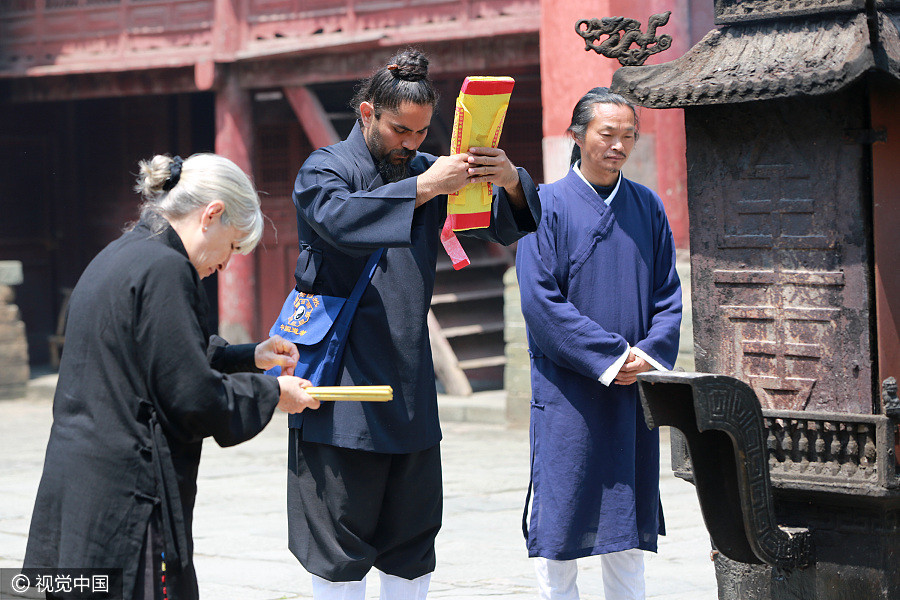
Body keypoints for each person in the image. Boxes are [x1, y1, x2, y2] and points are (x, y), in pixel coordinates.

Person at [287, 49, 540, 599]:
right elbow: (338, 219)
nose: (412, 144)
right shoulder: (324, 167)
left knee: (413, 535)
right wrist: (428, 187)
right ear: (367, 114)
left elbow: (498, 227)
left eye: (423, 133)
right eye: (401, 130)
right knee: (341, 537)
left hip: (409, 373)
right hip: (343, 376)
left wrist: (510, 182)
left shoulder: (428, 167)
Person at [23, 153, 321, 600]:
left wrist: (250, 357)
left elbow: (168, 354)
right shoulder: (166, 269)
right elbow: (190, 395)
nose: (225, 264)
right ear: (212, 215)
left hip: (78, 481)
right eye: (233, 246)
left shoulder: (123, 252)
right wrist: (272, 393)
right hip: (125, 490)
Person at [516, 87, 683, 600]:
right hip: (567, 392)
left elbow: (669, 292)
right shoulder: (542, 206)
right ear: (577, 135)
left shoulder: (647, 206)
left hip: (630, 390)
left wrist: (648, 355)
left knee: (627, 526)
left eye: (627, 136)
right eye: (606, 134)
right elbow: (541, 304)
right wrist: (612, 356)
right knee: (560, 525)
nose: (618, 145)